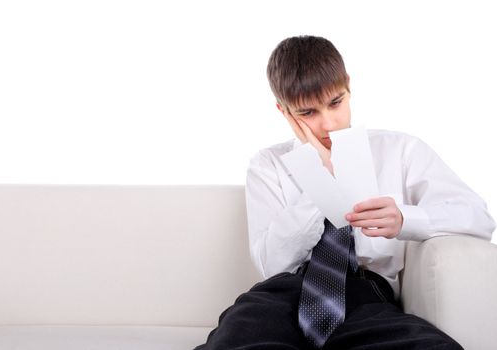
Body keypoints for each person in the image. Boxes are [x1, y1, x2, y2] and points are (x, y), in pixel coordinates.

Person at [195, 35, 495, 349]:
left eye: (335, 103)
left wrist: (405, 218)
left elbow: (478, 218)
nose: (328, 124)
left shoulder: (400, 150)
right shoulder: (267, 165)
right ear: (284, 112)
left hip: (367, 297)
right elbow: (273, 264)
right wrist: (321, 174)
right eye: (307, 113)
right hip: (281, 296)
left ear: (348, 86)